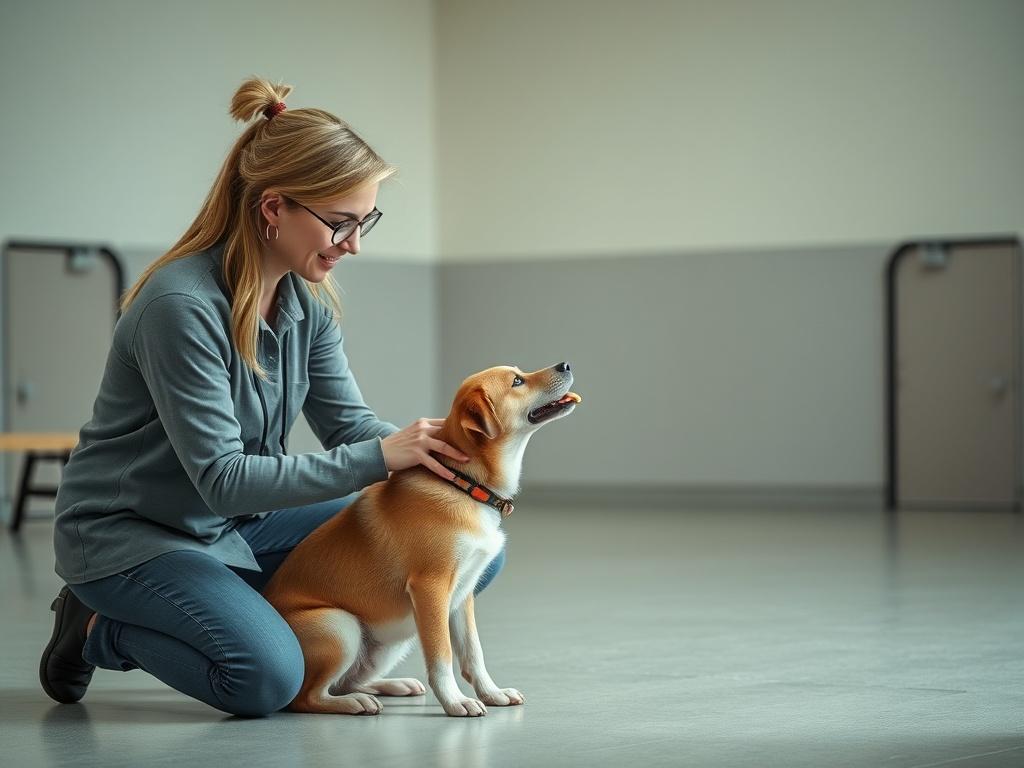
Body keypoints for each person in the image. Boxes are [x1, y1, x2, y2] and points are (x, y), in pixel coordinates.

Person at [39, 77, 506, 717]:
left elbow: (350, 424)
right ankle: (97, 627)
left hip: (238, 527)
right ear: (273, 208)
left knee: (454, 553)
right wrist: (383, 456)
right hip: (136, 537)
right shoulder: (180, 307)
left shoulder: (305, 304)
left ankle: (232, 606)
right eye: (340, 223)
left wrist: (443, 464)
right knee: (264, 679)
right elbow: (225, 480)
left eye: (365, 220)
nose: (355, 244)